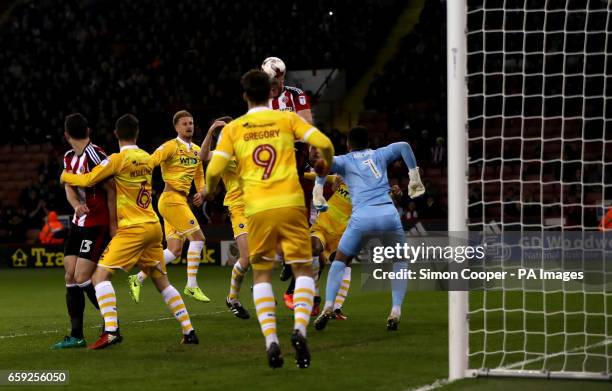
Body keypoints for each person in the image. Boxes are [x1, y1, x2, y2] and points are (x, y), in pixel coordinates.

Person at [205, 70, 334, 369]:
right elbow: (323, 143)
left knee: (262, 274)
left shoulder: (234, 129)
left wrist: (211, 190)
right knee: (303, 269)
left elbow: (213, 170)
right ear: (272, 93)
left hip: (257, 208)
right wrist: (323, 162)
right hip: (290, 204)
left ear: (245, 95)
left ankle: (271, 341)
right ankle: (300, 330)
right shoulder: (287, 119)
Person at [61, 114, 198, 349]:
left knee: (99, 277)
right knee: (162, 282)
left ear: (116, 134)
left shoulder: (117, 159)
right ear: (137, 134)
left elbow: (89, 179)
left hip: (132, 228)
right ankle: (189, 330)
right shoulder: (146, 157)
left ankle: (111, 331)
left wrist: (65, 175)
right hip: (153, 225)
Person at [313, 126, 425, 332]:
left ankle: (328, 305)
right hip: (388, 214)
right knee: (399, 261)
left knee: (340, 260)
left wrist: (318, 189)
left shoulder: (345, 160)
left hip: (362, 217)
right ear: (369, 142)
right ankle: (396, 310)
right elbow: (404, 146)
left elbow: (323, 164)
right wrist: (414, 177)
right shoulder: (379, 154)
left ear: (348, 144)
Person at [128, 110, 210, 303]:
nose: (189, 126)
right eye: (185, 123)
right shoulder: (170, 146)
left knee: (174, 251)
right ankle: (191, 285)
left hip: (181, 201)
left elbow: (199, 177)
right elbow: (151, 161)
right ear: (176, 127)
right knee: (198, 239)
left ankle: (137, 278)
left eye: (191, 123)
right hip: (170, 199)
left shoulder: (198, 151)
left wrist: (201, 192)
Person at [51, 113, 117, 350]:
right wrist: (76, 206)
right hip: (79, 224)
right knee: (70, 276)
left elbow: (112, 190)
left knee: (81, 277)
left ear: (66, 134)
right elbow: (69, 188)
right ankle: (76, 336)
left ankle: (111, 322)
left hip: (96, 224)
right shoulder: (69, 157)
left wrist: (113, 224)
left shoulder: (96, 155)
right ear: (87, 129)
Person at [200, 116, 250, 319]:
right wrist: (210, 131)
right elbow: (203, 157)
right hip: (239, 208)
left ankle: (261, 287)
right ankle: (232, 299)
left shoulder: (247, 147)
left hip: (259, 206)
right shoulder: (224, 153)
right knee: (246, 259)